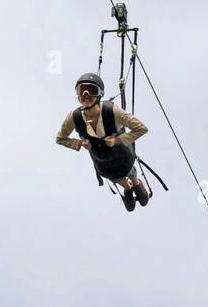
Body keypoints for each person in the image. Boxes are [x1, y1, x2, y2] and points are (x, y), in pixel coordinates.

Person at [56, 72, 151, 211]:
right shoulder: (74, 117)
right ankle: (128, 188)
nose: (86, 96)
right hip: (103, 164)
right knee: (117, 178)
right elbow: (60, 138)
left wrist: (118, 139)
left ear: (99, 94)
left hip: (123, 156)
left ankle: (136, 183)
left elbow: (141, 128)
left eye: (91, 91)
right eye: (82, 91)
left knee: (130, 172)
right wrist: (79, 143)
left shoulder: (112, 111)